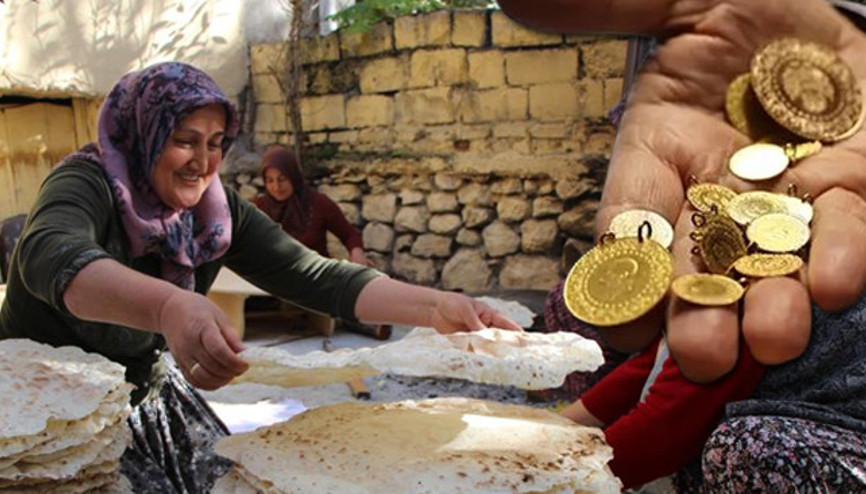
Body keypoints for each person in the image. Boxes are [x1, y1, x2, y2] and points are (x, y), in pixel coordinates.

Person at [0, 61, 521, 493]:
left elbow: (316, 275)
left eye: (216, 143)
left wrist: (437, 307)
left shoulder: (212, 213)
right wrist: (169, 307)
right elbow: (50, 256)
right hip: (46, 422)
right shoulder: (85, 183)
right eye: (184, 140)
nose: (202, 162)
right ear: (143, 133)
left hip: (147, 399)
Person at [499, 0, 866, 491]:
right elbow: (651, 367)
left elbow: (675, 412)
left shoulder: (774, 271)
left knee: (740, 444)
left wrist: (553, 477)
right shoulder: (699, 265)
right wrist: (559, 428)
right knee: (581, 314)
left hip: (816, 422)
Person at [251, 145, 390, 339]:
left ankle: (362, 317)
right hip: (275, 283)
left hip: (316, 280)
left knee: (344, 289)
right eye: (270, 181)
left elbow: (349, 234)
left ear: (294, 176)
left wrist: (357, 254)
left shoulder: (318, 204)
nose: (276, 187)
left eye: (282, 179)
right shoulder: (258, 208)